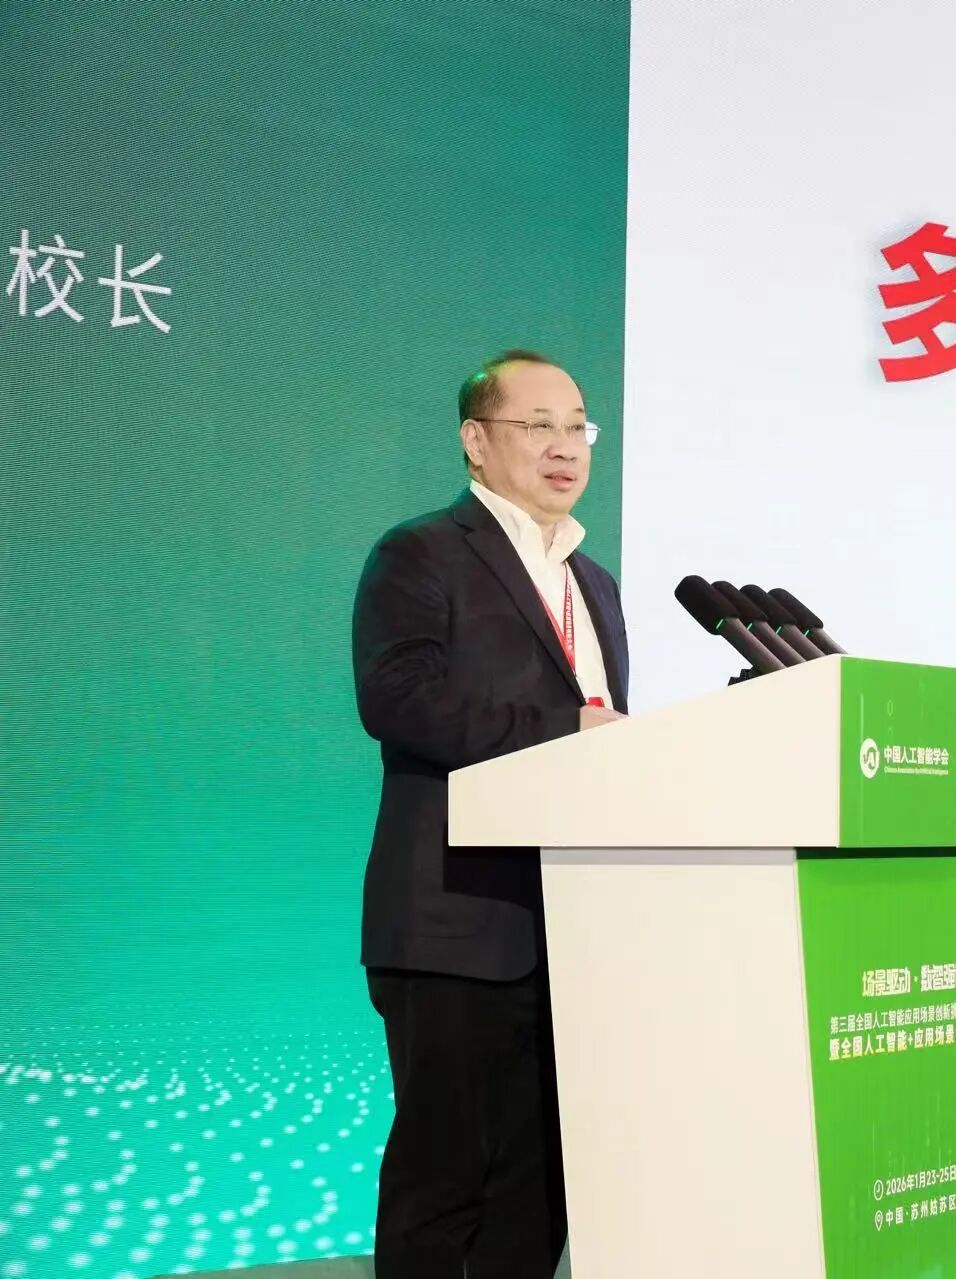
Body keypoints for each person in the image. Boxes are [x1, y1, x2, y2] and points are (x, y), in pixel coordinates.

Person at [351, 349, 629, 1277]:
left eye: (578, 427)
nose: (565, 447)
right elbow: (399, 700)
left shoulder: (594, 584)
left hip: (573, 930)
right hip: (455, 923)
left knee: (541, 1189)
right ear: (476, 440)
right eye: (537, 426)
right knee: (445, 1180)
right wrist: (566, 730)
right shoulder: (422, 552)